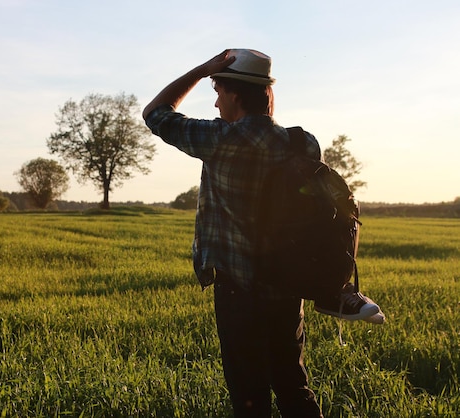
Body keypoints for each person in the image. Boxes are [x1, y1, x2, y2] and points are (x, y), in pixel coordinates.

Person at [143, 49, 381, 417]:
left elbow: (156, 114)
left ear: (235, 95)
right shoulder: (304, 143)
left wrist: (202, 70)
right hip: (290, 284)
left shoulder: (219, 140)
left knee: (249, 394)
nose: (217, 103)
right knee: (292, 383)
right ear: (268, 94)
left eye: (218, 93)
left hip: (238, 290)